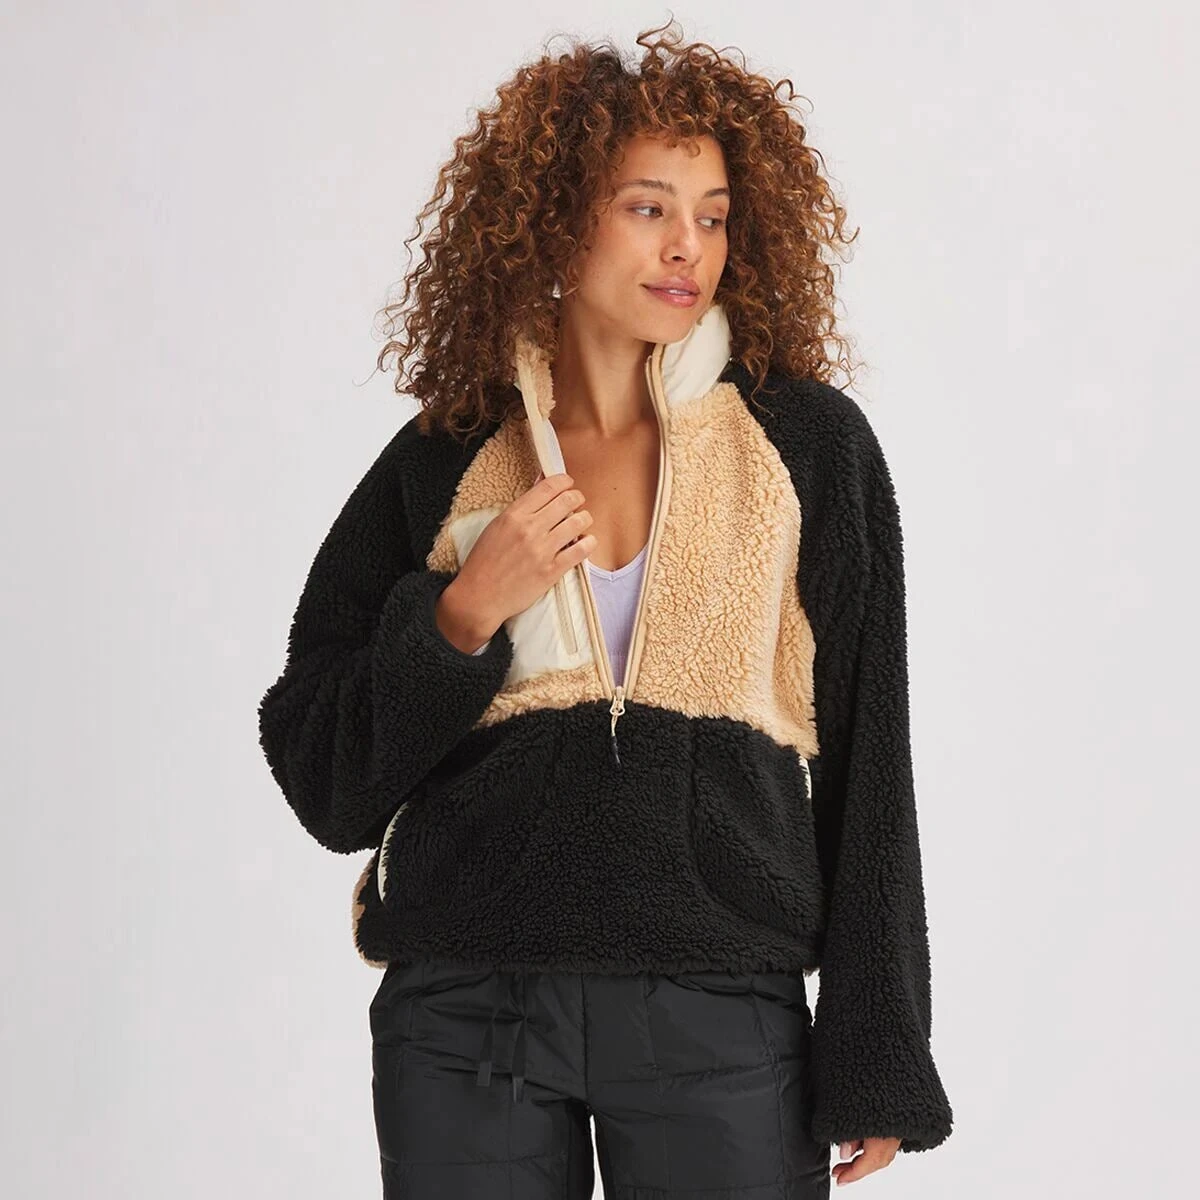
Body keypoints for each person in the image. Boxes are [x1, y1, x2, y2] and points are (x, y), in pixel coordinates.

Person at [257, 20, 953, 1198]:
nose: (688, 247)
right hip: (465, 1012)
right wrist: (459, 619)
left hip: (722, 1009)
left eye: (713, 215)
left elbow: (870, 761)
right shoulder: (447, 457)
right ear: (554, 218)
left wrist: (877, 1048)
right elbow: (322, 774)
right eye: (647, 208)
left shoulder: (806, 449)